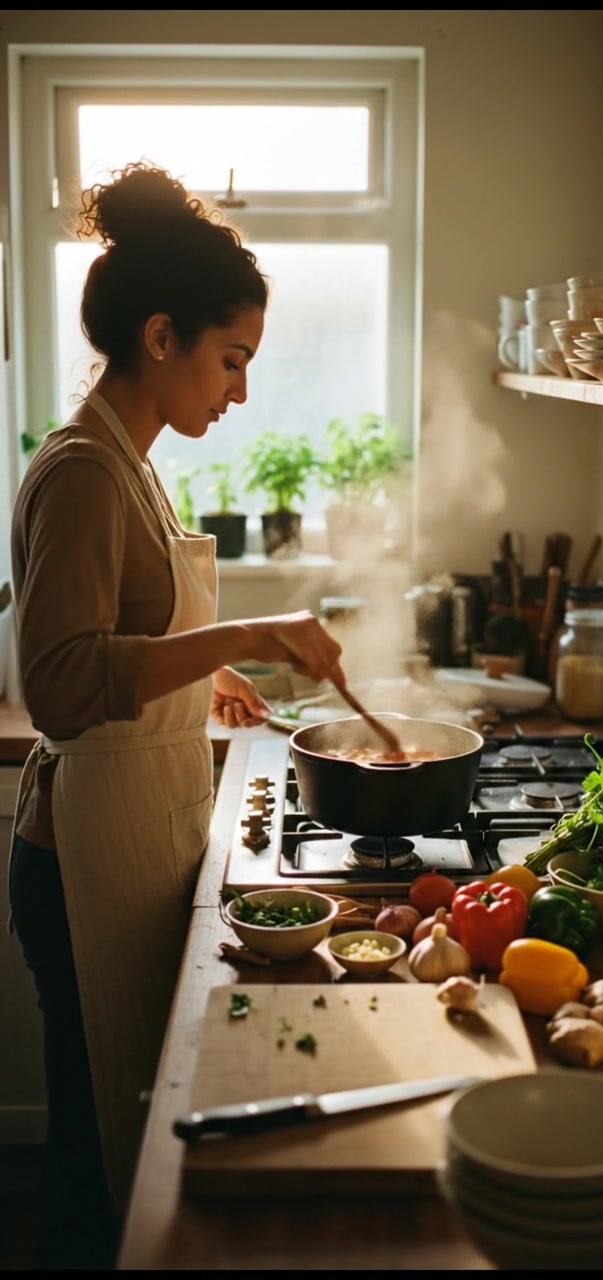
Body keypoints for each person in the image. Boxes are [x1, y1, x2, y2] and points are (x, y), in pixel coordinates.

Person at [8, 161, 346, 1269]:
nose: (240, 391)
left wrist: (200, 681)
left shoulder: (133, 465)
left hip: (131, 827)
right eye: (232, 358)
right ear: (163, 336)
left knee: (127, 1119)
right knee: (93, 1150)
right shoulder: (84, 474)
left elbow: (123, 635)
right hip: (78, 854)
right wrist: (244, 637)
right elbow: (56, 679)